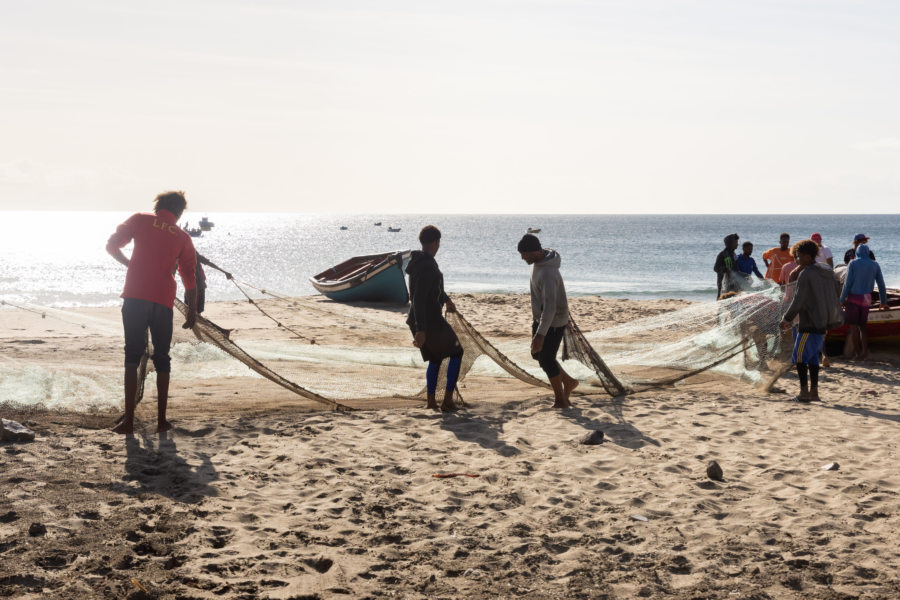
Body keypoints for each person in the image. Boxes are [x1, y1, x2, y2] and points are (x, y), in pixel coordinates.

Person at [106, 191, 198, 434]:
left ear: (158, 206)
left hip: (136, 296)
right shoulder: (182, 236)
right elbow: (190, 275)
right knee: (163, 357)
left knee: (132, 357)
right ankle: (161, 421)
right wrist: (192, 309)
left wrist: (130, 264)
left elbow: (111, 245)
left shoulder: (140, 219)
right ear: (178, 213)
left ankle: (128, 422)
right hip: (163, 300)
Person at [406, 225, 463, 411]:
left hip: (419, 319)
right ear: (435, 242)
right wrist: (421, 330)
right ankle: (447, 400)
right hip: (429, 321)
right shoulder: (428, 266)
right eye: (439, 243)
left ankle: (431, 401)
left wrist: (446, 300)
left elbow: (430, 290)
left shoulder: (418, 262)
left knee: (435, 358)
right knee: (457, 352)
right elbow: (419, 298)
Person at [518, 234, 578, 409]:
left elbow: (550, 307)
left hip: (553, 321)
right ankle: (569, 382)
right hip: (541, 319)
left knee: (546, 360)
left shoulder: (548, 272)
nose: (522, 258)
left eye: (524, 254)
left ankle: (561, 400)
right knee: (537, 354)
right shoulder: (538, 264)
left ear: (535, 252)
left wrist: (540, 335)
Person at [780, 239, 842, 403]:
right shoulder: (825, 270)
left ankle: (803, 393)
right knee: (813, 357)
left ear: (807, 256)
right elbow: (837, 288)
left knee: (799, 357)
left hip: (809, 324)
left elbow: (798, 300)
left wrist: (786, 318)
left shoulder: (806, 274)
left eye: (798, 257)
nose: (797, 261)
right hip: (823, 322)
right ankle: (814, 393)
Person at [839, 243, 889, 361]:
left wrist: (842, 299)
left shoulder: (853, 263)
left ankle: (857, 354)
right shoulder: (875, 264)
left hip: (854, 298)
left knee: (853, 327)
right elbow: (881, 284)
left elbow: (848, 283)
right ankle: (865, 352)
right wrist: (883, 302)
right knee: (863, 326)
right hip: (867, 298)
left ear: (857, 253)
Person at [714, 233, 740, 298]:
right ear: (729, 243)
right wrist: (725, 269)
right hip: (723, 283)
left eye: (737, 242)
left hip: (733, 282)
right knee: (722, 298)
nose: (737, 244)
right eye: (735, 242)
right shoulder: (722, 254)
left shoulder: (734, 255)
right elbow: (716, 268)